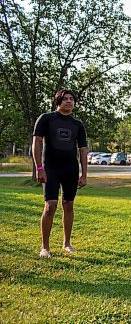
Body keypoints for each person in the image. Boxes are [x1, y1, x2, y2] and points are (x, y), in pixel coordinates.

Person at [32, 89, 88, 258]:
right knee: (50, 206)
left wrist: (84, 174)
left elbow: (83, 150)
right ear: (58, 101)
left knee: (68, 205)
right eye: (65, 99)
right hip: (51, 169)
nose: (69, 102)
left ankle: (67, 243)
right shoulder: (46, 118)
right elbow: (36, 143)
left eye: (72, 99)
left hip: (70, 169)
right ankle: (45, 247)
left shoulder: (77, 125)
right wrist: (39, 168)